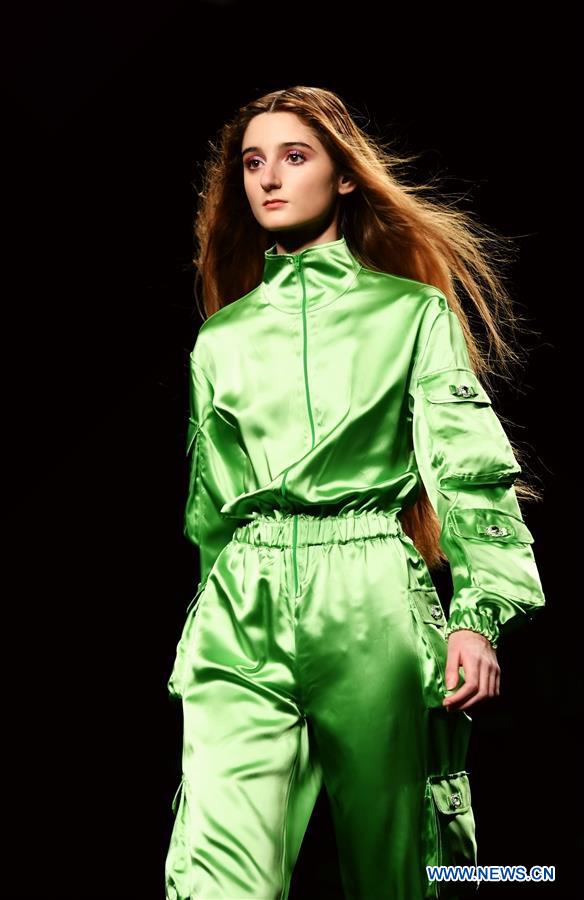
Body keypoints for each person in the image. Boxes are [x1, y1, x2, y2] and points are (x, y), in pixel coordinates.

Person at [164, 86, 546, 900]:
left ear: (344, 176)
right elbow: (211, 512)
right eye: (253, 163)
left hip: (371, 593)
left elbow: (467, 468)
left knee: (402, 870)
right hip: (242, 605)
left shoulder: (411, 315)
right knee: (215, 877)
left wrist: (479, 614)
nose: (269, 178)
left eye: (294, 156)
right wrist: (210, 614)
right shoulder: (221, 340)